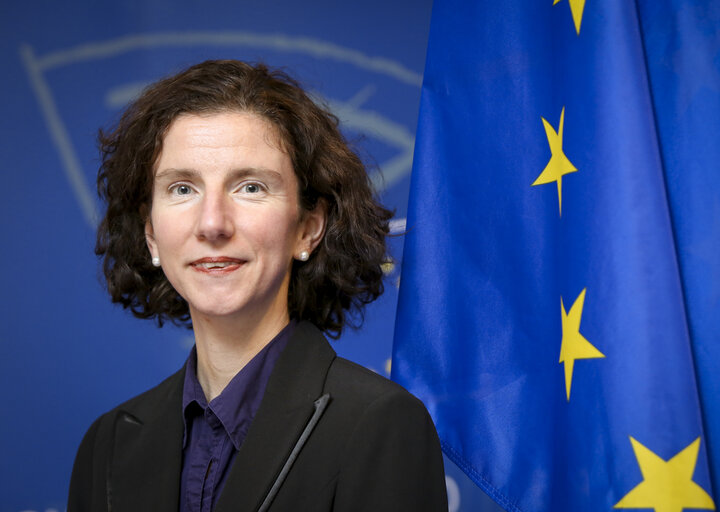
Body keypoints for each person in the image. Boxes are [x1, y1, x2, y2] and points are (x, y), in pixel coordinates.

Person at [67, 59, 447, 512]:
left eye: (249, 187)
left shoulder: (381, 425)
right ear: (151, 233)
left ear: (308, 228)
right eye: (182, 188)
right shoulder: (107, 444)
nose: (212, 224)